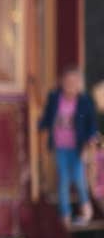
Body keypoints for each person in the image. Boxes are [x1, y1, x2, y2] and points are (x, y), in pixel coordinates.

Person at [37, 66, 97, 227]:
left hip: (77, 146)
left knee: (78, 178)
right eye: (67, 81)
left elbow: (91, 123)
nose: (70, 85)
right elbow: (48, 116)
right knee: (63, 179)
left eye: (74, 82)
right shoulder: (55, 97)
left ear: (79, 85)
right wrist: (39, 125)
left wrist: (90, 139)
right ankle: (65, 215)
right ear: (62, 82)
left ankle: (86, 209)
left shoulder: (85, 101)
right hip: (60, 145)